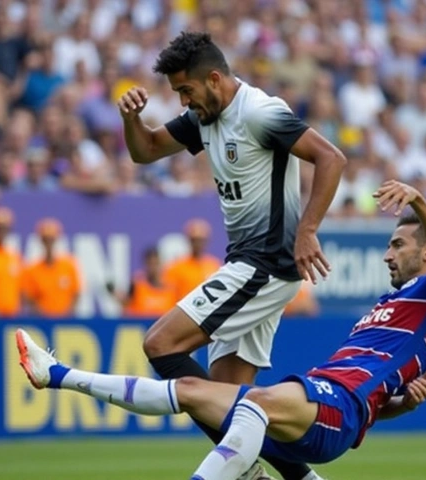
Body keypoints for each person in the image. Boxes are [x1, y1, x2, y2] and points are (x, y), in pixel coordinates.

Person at [16, 180, 426, 480]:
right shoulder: (391, 306)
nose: (388, 254)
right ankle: (56, 376)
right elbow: (373, 404)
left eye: (398, 244)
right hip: (330, 406)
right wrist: (401, 405)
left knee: (254, 406)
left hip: (335, 406)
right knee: (191, 389)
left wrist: (419, 201)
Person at [117, 31, 346, 480]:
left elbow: (331, 158)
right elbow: (144, 151)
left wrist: (308, 230)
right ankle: (298, 477)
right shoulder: (205, 118)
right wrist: (130, 118)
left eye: (187, 91)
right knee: (232, 399)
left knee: (160, 344)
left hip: (264, 264)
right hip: (248, 264)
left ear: (215, 79)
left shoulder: (259, 113)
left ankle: (246, 474)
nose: (184, 103)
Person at [21, 218, 83, 318]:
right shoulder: (32, 269)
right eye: (46, 239)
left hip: (65, 320)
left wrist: (68, 314)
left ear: (56, 239)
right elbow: (29, 298)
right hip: (41, 321)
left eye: (51, 239)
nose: (49, 243)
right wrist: (43, 316)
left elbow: (76, 293)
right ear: (41, 241)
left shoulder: (69, 265)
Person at [163, 218, 221, 303]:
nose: (198, 244)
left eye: (201, 240)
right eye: (194, 240)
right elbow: (168, 296)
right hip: (184, 311)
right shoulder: (176, 267)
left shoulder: (214, 265)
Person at [120, 247, 177, 318]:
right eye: (150, 264)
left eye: (155, 263)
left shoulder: (171, 288)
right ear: (145, 264)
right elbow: (126, 304)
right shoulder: (137, 285)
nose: (153, 268)